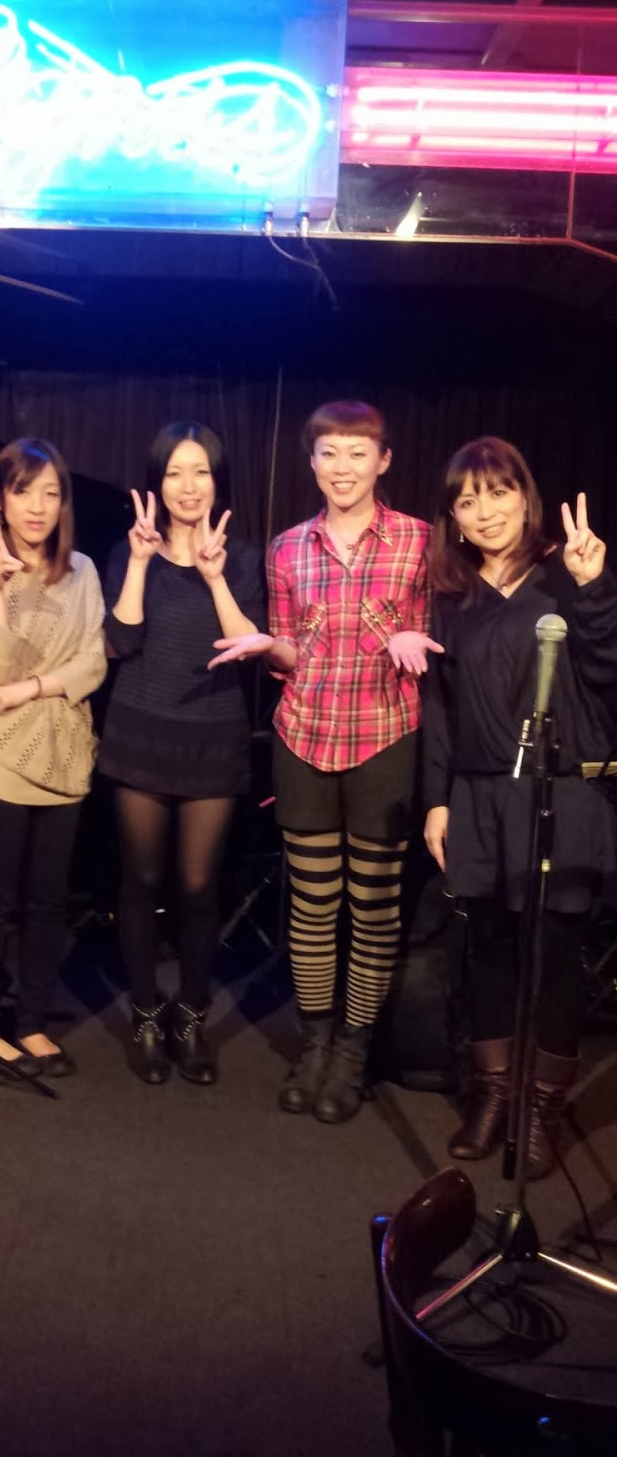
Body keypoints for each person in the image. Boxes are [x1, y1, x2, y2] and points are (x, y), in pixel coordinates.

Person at [211, 401, 434, 1122]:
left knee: (372, 906)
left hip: (384, 736)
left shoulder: (420, 541)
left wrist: (415, 639)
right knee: (311, 906)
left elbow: (438, 634)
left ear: (384, 460)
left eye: (357, 453)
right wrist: (266, 646)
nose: (343, 467)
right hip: (303, 733)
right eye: (329, 453)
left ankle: (353, 1052)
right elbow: (290, 650)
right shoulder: (286, 548)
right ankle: (314, 1045)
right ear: (311, 462)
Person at [422, 437, 617, 1179]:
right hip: (478, 795)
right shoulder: (453, 598)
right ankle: (494, 1097)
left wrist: (595, 588)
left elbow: (608, 670)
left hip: (558, 791)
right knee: (492, 953)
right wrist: (437, 801)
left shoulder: (566, 577)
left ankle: (540, 1109)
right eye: (467, 500)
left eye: (498, 492)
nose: (485, 511)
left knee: (556, 958)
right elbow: (439, 709)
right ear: (454, 517)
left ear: (525, 497)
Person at [99, 421, 266, 1085]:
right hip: (140, 731)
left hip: (213, 736)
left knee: (198, 886)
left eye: (200, 472)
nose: (188, 486)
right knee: (141, 879)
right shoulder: (128, 550)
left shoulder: (242, 557)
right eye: (174, 472)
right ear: (157, 483)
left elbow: (247, 647)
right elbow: (120, 642)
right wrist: (142, 563)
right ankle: (146, 1013)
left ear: (217, 482)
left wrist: (215, 578)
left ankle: (191, 1013)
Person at [0, 438, 106, 1077]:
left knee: (47, 902)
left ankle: (33, 1020)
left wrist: (32, 688)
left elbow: (93, 664)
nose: (38, 506)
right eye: (22, 491)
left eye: (50, 493)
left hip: (64, 755)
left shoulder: (83, 571)